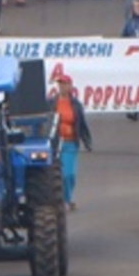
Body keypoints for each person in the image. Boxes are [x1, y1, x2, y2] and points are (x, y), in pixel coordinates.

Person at [50, 75, 92, 211]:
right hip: (54, 144)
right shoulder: (51, 103)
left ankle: (68, 198)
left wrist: (87, 141)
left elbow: (82, 124)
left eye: (64, 84)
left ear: (70, 86)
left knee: (69, 174)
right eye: (60, 84)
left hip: (70, 142)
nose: (61, 86)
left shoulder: (75, 105)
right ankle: (61, 200)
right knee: (57, 174)